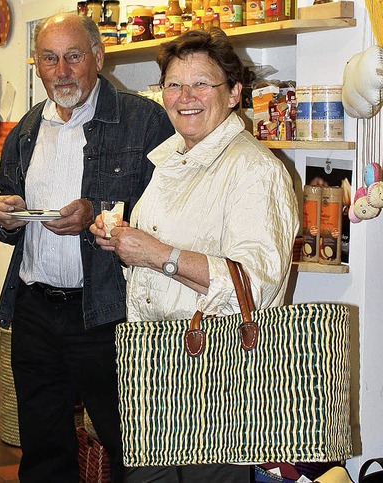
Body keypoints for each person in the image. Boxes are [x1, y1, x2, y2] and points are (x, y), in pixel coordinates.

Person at [90, 27, 299, 482]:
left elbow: (255, 286)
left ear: (234, 93)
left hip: (215, 378)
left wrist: (157, 254)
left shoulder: (255, 170)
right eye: (173, 84)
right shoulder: (173, 160)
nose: (186, 96)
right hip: (154, 364)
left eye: (202, 83)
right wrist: (126, 242)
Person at [0, 13, 174, 483]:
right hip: (34, 309)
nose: (62, 71)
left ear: (98, 56)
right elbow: (6, 222)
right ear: (37, 65)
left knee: (129, 444)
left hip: (106, 314)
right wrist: (4, 214)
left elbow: (170, 214)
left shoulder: (143, 120)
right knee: (42, 447)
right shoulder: (26, 129)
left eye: (74, 56)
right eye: (49, 59)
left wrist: (99, 213)